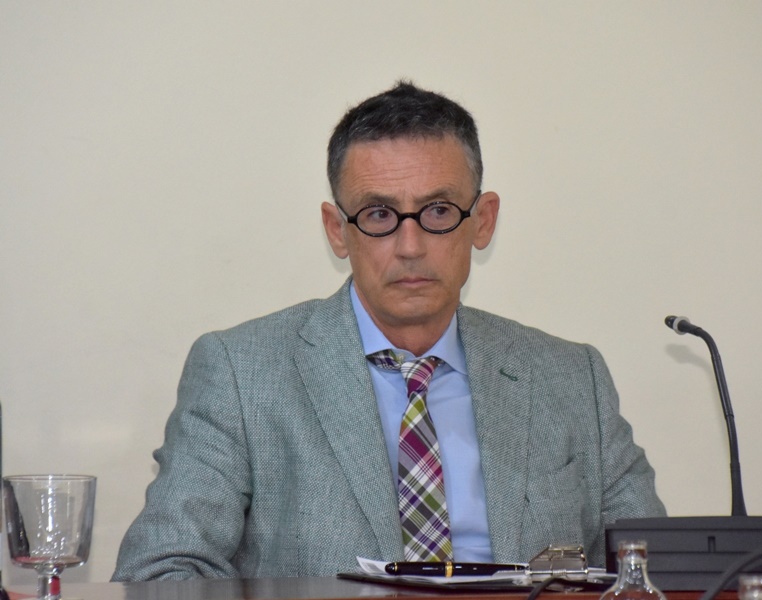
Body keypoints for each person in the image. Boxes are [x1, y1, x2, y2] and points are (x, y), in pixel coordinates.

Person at [112, 81, 665, 581]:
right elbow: (161, 570)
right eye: (379, 215)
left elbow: (656, 569)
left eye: (438, 211)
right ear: (337, 230)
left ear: (483, 220)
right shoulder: (242, 374)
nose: (410, 246)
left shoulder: (571, 378)